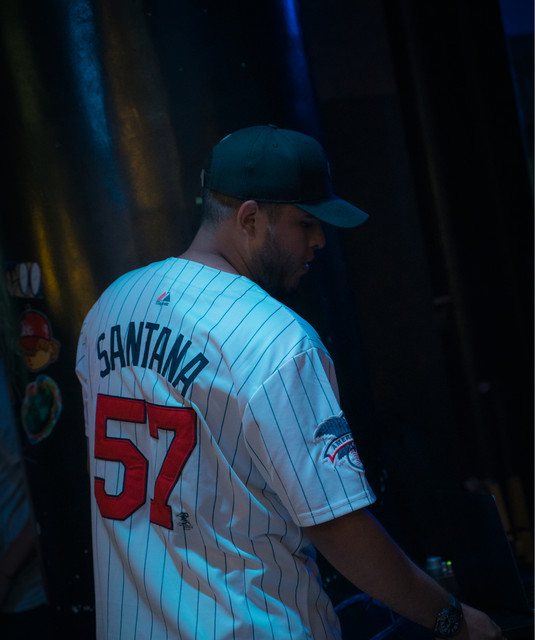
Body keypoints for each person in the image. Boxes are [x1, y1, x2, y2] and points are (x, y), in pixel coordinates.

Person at [76, 124, 504, 639]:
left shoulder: (110, 307)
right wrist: (451, 618)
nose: (320, 240)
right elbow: (337, 525)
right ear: (250, 218)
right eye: (306, 223)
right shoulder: (277, 338)